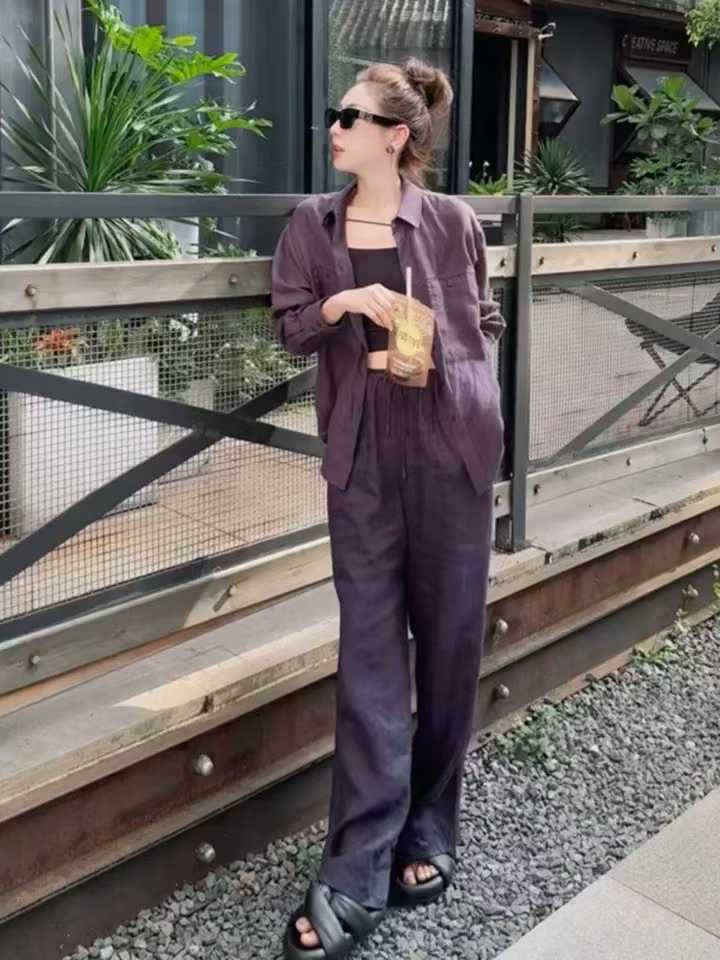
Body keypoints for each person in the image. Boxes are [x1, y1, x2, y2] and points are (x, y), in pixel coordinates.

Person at [271, 55, 506, 960]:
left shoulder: (451, 221)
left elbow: (484, 319)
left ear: (395, 135)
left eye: (350, 116)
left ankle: (431, 825)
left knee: (450, 643)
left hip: (450, 444)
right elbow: (290, 326)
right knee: (370, 652)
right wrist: (341, 300)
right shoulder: (313, 223)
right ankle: (357, 863)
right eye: (337, 116)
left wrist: (449, 364)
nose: (333, 128)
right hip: (364, 452)